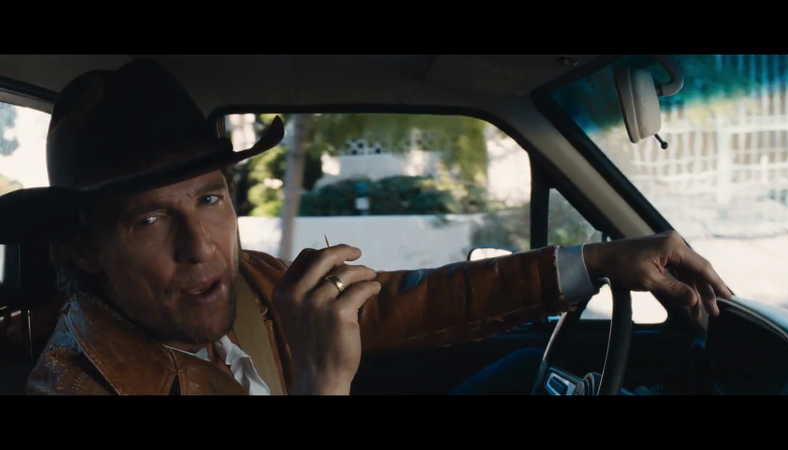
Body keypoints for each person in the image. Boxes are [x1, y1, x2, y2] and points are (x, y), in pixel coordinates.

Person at [0, 59, 731, 395]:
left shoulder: (248, 283)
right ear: (84, 251)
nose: (201, 247)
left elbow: (410, 302)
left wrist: (596, 261)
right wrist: (323, 383)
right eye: (150, 219)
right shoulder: (74, 387)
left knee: (517, 375)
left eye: (211, 199)